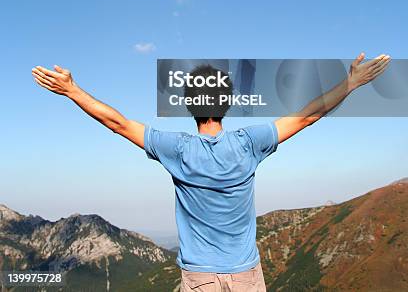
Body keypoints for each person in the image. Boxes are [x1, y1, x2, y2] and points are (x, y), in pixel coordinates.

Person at [32, 52, 390, 291]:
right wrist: (352, 83)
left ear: (190, 106)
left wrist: (72, 90)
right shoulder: (251, 143)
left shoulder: (177, 149)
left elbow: (118, 123)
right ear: (228, 105)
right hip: (246, 276)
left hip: (199, 278)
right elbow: (309, 115)